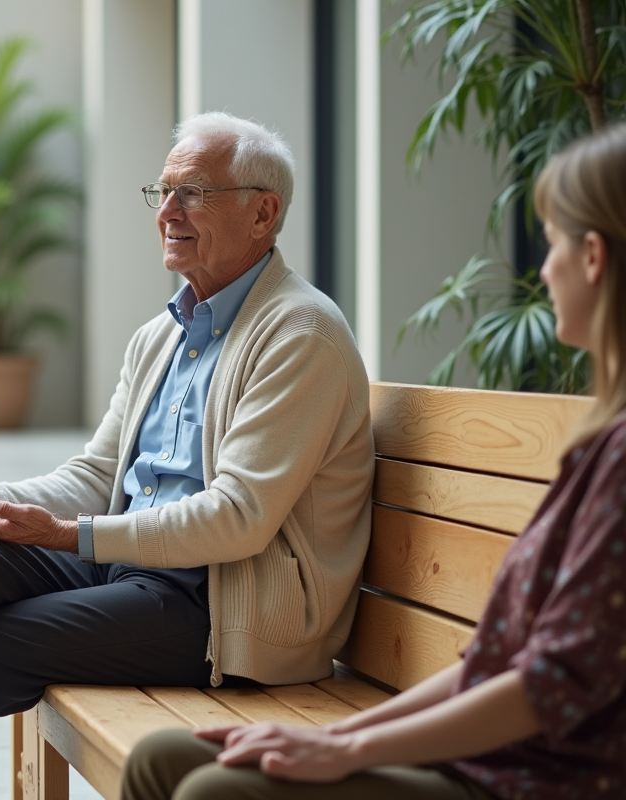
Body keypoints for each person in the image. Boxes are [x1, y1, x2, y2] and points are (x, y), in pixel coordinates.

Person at [0, 111, 374, 800]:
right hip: (130, 572)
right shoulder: (163, 335)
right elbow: (96, 478)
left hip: (221, 609)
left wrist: (72, 537)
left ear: (263, 212)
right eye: (160, 192)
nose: (167, 212)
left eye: (191, 192)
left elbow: (239, 518)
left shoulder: (299, 333)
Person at [120, 123, 626, 800]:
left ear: (593, 257)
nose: (543, 268)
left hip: (534, 778)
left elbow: (551, 684)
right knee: (162, 758)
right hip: (489, 754)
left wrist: (351, 745)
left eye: (554, 242)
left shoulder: (617, 461)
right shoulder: (601, 443)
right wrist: (335, 741)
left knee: (215, 791)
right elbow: (493, 660)